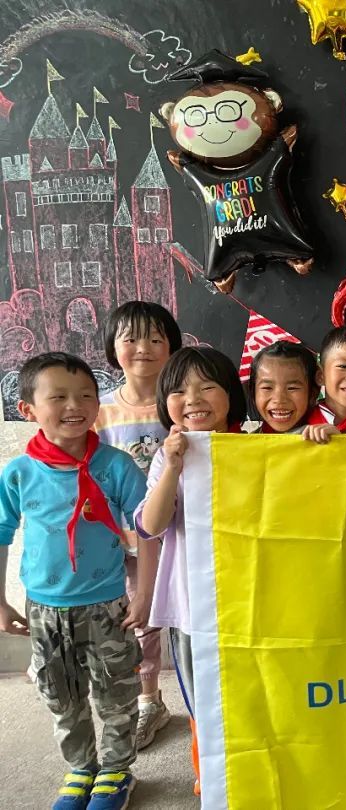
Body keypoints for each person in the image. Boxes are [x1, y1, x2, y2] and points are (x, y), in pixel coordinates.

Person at [0, 352, 147, 810]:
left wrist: (145, 594)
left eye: (86, 395)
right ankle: (81, 768)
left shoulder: (117, 466)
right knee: (60, 695)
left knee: (116, 692)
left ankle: (117, 771)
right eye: (59, 397)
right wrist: (0, 601)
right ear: (27, 409)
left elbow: (148, 532)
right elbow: (1, 533)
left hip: (108, 606)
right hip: (44, 609)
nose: (75, 406)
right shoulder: (18, 473)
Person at [132, 347, 249, 795]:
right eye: (179, 390)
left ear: (231, 395)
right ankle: (213, 782)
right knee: (206, 705)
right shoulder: (170, 456)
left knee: (250, 698)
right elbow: (150, 525)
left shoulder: (255, 447)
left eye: (207, 387)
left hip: (248, 604)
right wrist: (173, 468)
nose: (193, 398)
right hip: (193, 608)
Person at [97, 301, 183, 751]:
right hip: (126, 540)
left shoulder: (180, 404)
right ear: (113, 348)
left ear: (171, 346)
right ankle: (149, 699)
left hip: (180, 533)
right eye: (130, 338)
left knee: (186, 619)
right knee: (140, 620)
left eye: (154, 338)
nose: (143, 347)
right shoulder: (100, 411)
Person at [249, 341, 318, 434]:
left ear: (313, 394)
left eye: (292, 388)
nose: (279, 400)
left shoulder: (330, 437)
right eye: (267, 388)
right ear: (253, 393)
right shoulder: (244, 442)